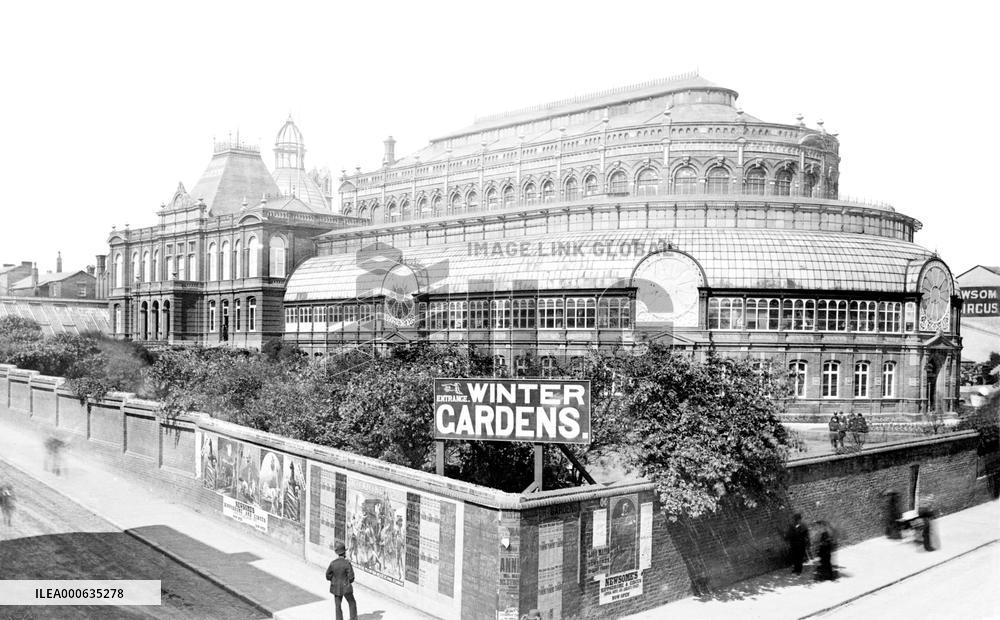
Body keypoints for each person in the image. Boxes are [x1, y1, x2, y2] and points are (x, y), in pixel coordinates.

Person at [326, 541, 357, 620]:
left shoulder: (333, 563)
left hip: (336, 588)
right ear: (344, 553)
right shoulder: (347, 563)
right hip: (346, 588)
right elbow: (351, 578)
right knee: (352, 603)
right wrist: (347, 581)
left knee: (338, 606)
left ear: (337, 552)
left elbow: (327, 575)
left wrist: (334, 580)